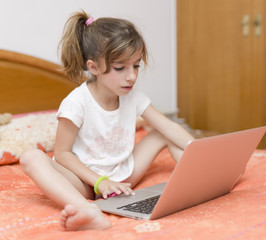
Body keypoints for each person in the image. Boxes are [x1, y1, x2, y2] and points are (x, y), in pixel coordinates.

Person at [20, 10, 194, 231]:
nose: (131, 76)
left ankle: (200, 179)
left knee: (165, 131)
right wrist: (100, 182)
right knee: (31, 158)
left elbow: (168, 127)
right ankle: (86, 209)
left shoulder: (133, 96)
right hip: (85, 182)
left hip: (124, 172)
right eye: (120, 68)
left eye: (136, 65)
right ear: (93, 67)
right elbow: (62, 154)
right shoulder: (76, 103)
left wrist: (201, 152)